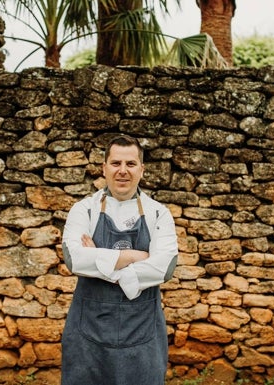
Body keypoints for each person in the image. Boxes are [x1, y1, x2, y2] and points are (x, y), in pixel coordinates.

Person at [60, 134, 179, 385]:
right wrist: (134, 257)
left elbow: (164, 267)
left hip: (142, 329)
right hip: (88, 330)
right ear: (104, 168)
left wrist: (101, 263)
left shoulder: (158, 213)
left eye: (130, 164)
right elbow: (74, 259)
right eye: (115, 163)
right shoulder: (85, 209)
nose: (122, 171)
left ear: (142, 170)